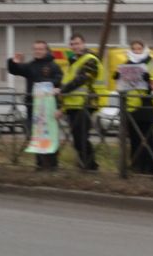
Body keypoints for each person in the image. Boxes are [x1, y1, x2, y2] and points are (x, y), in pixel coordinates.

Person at [7, 40, 65, 169]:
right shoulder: (30, 66)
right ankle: (39, 164)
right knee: (34, 135)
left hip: (49, 107)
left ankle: (52, 165)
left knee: (49, 135)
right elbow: (15, 70)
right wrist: (13, 62)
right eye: (36, 49)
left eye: (40, 49)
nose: (38, 51)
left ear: (46, 50)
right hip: (32, 106)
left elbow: (59, 80)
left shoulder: (53, 66)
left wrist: (44, 84)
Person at [58, 33, 106, 171]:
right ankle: (86, 164)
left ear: (84, 44)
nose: (75, 46)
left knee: (81, 138)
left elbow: (82, 79)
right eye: (72, 44)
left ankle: (90, 167)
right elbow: (68, 81)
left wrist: (63, 90)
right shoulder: (73, 62)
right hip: (73, 105)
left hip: (87, 103)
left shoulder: (90, 60)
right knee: (77, 139)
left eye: (77, 43)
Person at [116, 38, 153, 176]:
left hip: (147, 105)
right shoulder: (126, 64)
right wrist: (118, 77)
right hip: (131, 107)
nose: (137, 51)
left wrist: (149, 79)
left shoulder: (152, 63)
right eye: (134, 49)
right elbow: (121, 87)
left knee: (149, 139)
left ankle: (152, 170)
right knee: (135, 140)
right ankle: (137, 168)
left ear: (144, 49)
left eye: (139, 48)